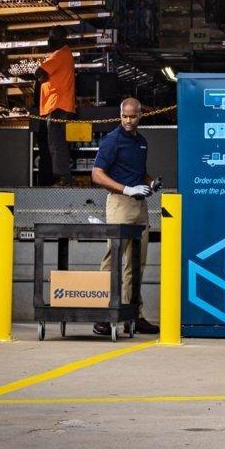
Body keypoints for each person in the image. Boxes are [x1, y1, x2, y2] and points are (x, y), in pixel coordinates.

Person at [88, 96, 157, 337]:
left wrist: (150, 182)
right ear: (120, 115)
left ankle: (133, 315)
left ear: (141, 115)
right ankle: (103, 317)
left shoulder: (142, 142)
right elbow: (97, 175)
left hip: (140, 205)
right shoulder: (112, 140)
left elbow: (139, 172)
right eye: (124, 116)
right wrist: (127, 189)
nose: (128, 121)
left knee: (137, 263)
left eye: (133, 116)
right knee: (113, 260)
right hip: (119, 203)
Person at [35, 28, 77, 184]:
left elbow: (39, 72)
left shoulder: (60, 54)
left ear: (60, 39)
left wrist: (42, 78)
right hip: (59, 104)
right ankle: (63, 176)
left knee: (55, 142)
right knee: (58, 142)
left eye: (52, 38)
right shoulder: (64, 54)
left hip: (57, 105)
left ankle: (64, 178)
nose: (49, 41)